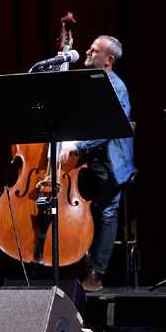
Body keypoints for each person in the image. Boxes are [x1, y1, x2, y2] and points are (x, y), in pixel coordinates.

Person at [59, 35, 135, 292]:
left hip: (112, 163)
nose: (88, 51)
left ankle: (95, 273)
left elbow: (110, 127)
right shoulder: (91, 83)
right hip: (89, 161)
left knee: (106, 212)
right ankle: (72, 263)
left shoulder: (117, 87)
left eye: (95, 49)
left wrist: (78, 146)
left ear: (109, 59)